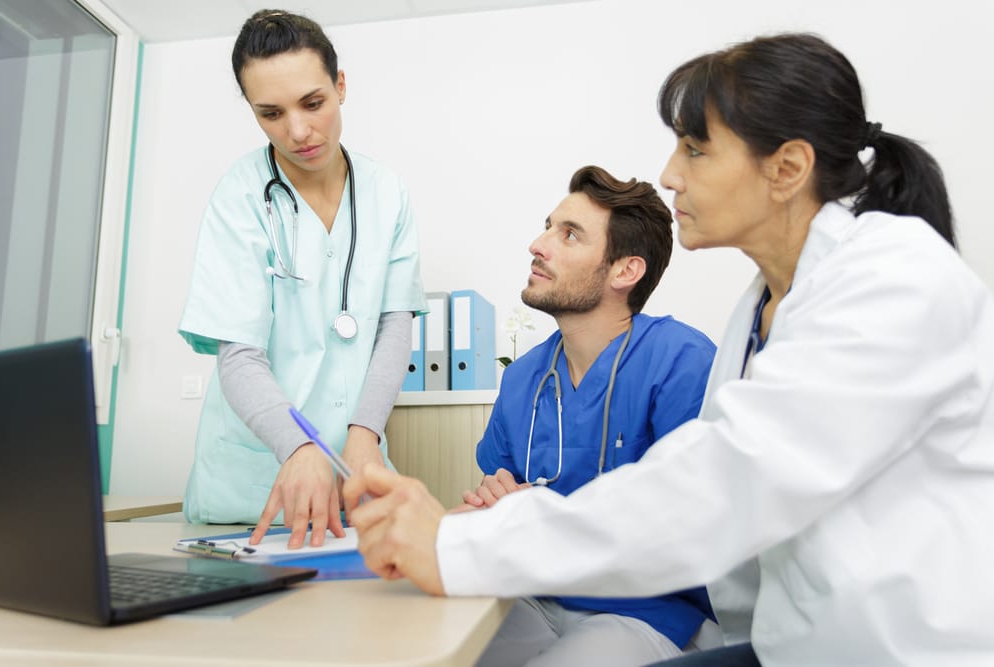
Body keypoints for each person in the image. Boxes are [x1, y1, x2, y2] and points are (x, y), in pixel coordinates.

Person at [343, 32, 994, 667]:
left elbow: (715, 486)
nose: (670, 175)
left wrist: (459, 543)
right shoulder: (760, 310)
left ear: (787, 168)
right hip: (796, 642)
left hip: (907, 649)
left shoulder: (893, 279)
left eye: (695, 149)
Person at [178, 9, 426, 549]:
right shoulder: (240, 195)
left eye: (313, 103)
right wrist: (295, 447)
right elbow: (238, 353)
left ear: (340, 86)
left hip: (354, 473)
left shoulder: (388, 192)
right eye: (270, 113)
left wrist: (364, 437)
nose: (297, 131)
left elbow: (394, 326)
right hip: (254, 485)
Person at [463, 165, 718, 667]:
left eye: (569, 234)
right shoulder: (523, 381)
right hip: (533, 595)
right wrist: (493, 506)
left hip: (646, 612)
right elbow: (501, 507)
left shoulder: (681, 362)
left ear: (625, 271)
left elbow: (690, 525)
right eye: (548, 226)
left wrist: (535, 515)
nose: (538, 244)